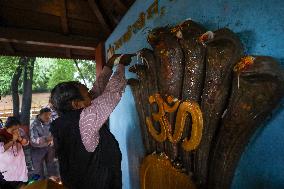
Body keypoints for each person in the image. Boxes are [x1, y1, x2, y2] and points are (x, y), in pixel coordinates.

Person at [49, 54, 133, 189]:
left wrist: (109, 65)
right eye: (87, 94)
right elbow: (112, 93)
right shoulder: (85, 119)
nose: (92, 95)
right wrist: (121, 65)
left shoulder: (66, 121)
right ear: (76, 104)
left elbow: (96, 90)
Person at [0, 116, 29, 189]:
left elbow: (26, 143)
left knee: (22, 185)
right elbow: (1, 150)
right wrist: (13, 140)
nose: (16, 131)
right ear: (7, 127)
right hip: (7, 170)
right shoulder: (1, 134)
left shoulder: (20, 131)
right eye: (13, 129)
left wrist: (19, 138)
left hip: (20, 168)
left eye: (17, 128)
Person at [30, 108, 58, 179]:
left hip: (50, 147)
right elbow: (33, 140)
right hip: (37, 149)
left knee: (51, 166)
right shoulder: (34, 125)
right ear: (40, 115)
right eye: (45, 115)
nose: (48, 117)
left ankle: (53, 183)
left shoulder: (51, 122)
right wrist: (46, 139)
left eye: (49, 115)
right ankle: (40, 184)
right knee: (38, 170)